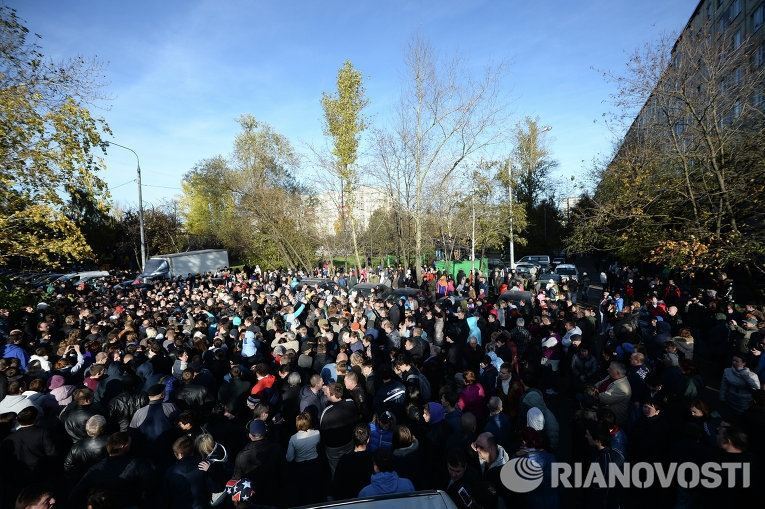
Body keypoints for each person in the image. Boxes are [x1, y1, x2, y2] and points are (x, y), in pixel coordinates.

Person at [333, 424, 375, 500]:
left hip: (349, 499)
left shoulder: (344, 460)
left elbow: (337, 483)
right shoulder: (373, 458)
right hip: (368, 499)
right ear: (368, 439)